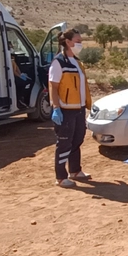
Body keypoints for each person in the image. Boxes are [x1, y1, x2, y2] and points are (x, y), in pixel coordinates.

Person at [49, 30, 93, 188]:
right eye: (77, 41)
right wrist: (56, 108)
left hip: (79, 108)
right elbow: (53, 87)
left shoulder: (77, 62)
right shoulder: (59, 62)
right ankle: (61, 177)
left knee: (77, 139)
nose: (80, 44)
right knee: (64, 143)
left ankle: (75, 170)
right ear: (68, 42)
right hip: (65, 110)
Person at [9, 42, 32, 108]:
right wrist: (20, 76)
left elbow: (17, 68)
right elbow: (13, 71)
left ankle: (23, 99)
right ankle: (20, 99)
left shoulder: (13, 58)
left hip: (17, 75)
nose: (12, 48)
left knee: (29, 81)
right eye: (10, 47)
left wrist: (21, 74)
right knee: (23, 83)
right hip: (13, 77)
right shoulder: (9, 59)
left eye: (12, 47)